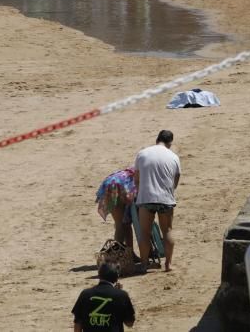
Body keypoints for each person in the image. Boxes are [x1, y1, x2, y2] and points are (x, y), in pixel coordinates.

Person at [134, 129, 180, 273]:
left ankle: (143, 265)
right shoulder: (173, 157)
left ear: (157, 140)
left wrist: (140, 192)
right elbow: (175, 180)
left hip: (146, 198)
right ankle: (168, 264)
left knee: (145, 232)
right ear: (170, 143)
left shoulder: (142, 154)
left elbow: (137, 179)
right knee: (167, 231)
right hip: (165, 198)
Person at [71, 262, 136, 332]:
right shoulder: (122, 295)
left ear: (99, 275)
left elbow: (78, 323)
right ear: (117, 277)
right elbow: (129, 323)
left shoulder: (85, 294)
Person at [96, 167, 137, 255]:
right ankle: (118, 254)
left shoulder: (137, 167)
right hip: (119, 185)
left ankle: (129, 253)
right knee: (121, 224)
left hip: (111, 182)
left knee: (122, 223)